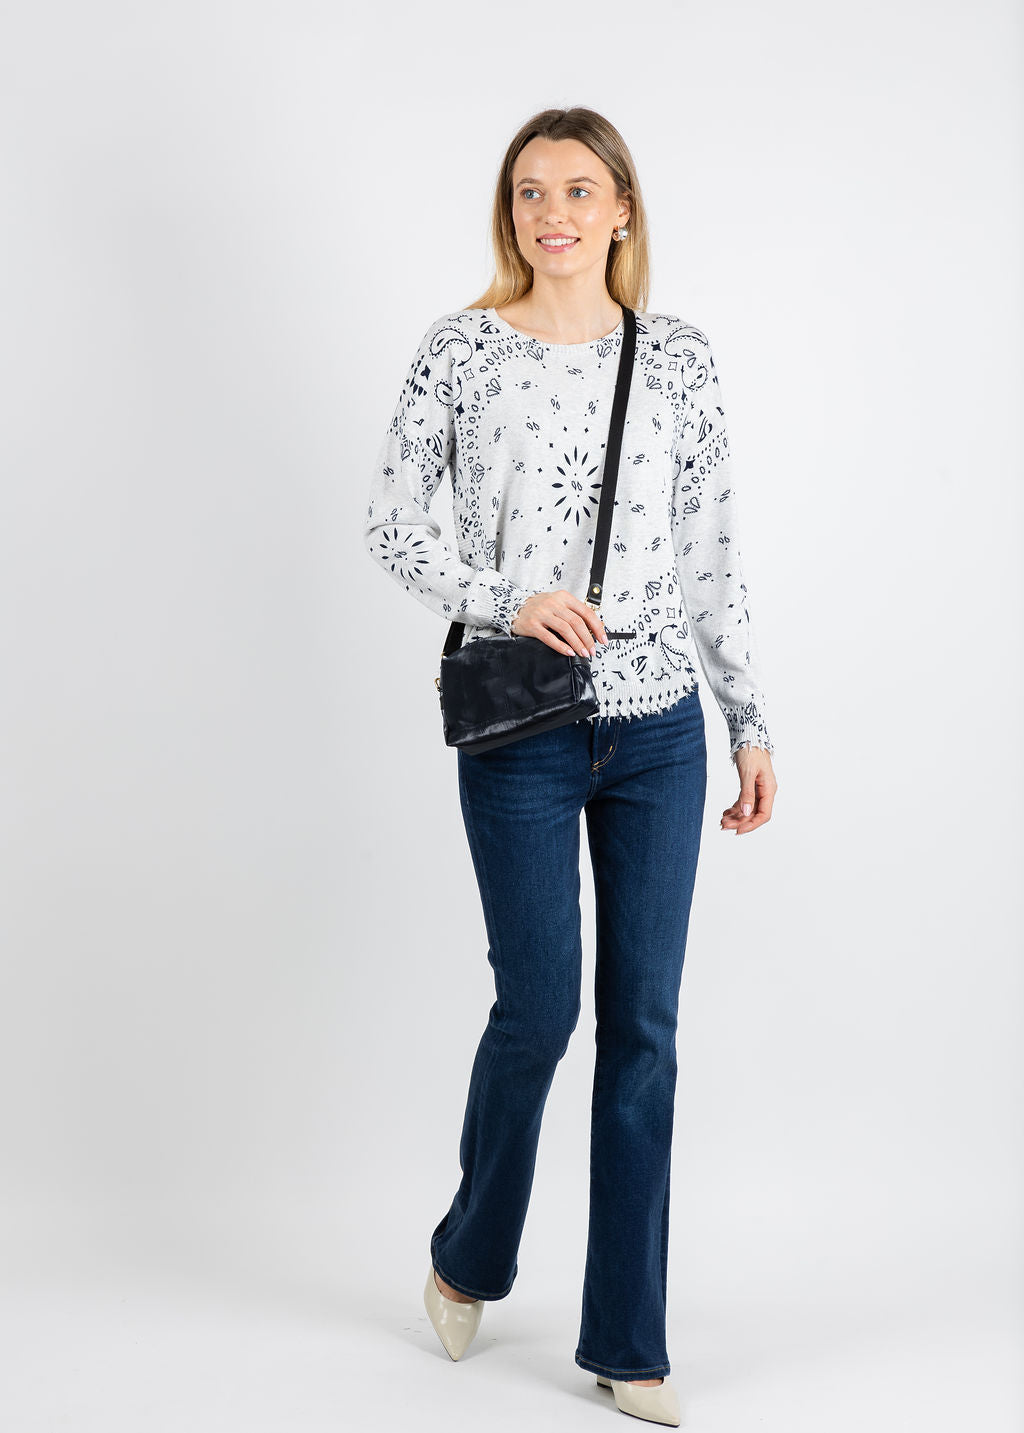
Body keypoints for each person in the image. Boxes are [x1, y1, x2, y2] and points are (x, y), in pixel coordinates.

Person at [363, 105, 778, 1428]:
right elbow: (393, 524)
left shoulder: (679, 358)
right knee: (539, 1010)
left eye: (580, 190)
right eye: (531, 191)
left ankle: (628, 1338)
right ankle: (469, 1252)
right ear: (511, 211)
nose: (554, 213)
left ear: (622, 210)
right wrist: (509, 598)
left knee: (643, 1028)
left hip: (658, 731)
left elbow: (712, 546)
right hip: (523, 729)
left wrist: (750, 718)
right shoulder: (463, 350)